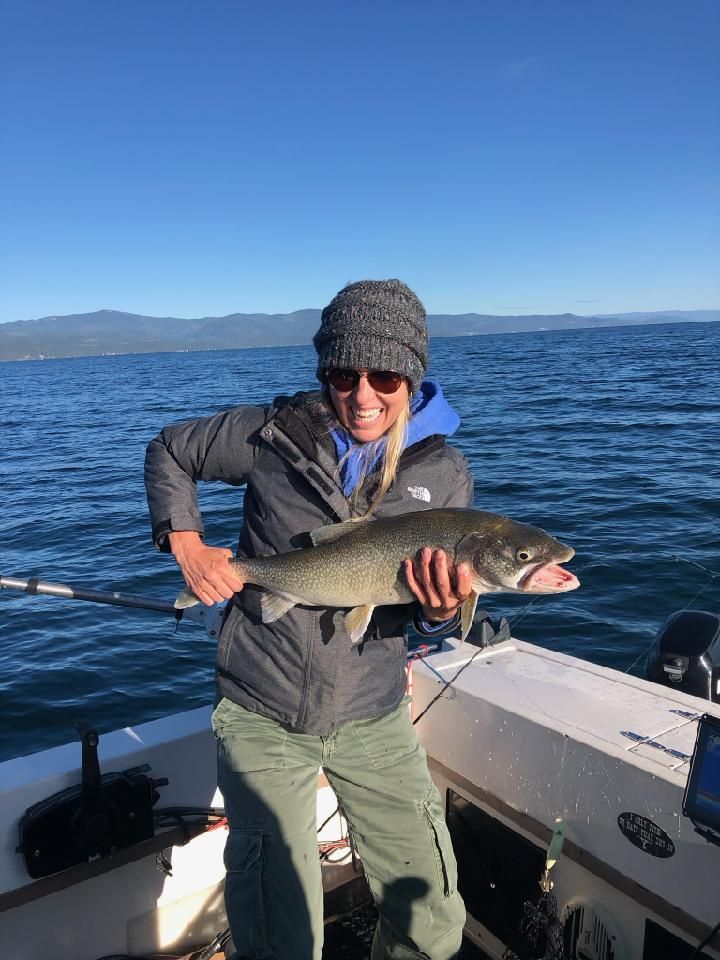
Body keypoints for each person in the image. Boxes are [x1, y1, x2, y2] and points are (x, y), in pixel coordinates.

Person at [144, 279, 474, 960]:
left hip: (373, 711)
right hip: (261, 708)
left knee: (433, 916)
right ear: (324, 372)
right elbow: (170, 451)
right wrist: (186, 542)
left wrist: (441, 616)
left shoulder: (444, 474)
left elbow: (429, 619)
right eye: (342, 374)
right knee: (279, 933)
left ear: (411, 377)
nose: (363, 395)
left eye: (384, 375)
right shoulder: (271, 435)